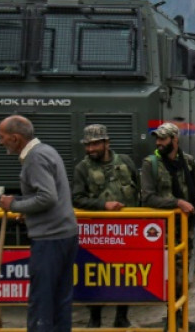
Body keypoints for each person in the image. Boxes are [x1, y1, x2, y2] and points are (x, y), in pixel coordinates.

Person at [0, 115, 79, 332]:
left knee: (42, 301)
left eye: (2, 137)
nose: (0, 141)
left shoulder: (35, 158)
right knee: (60, 299)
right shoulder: (47, 150)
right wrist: (27, 210)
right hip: (64, 234)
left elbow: (47, 197)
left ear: (15, 138)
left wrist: (13, 204)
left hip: (49, 239)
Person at [71, 124, 140, 328]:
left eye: (95, 144)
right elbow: (77, 198)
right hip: (97, 232)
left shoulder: (125, 162)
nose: (90, 149)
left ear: (106, 143)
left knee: (125, 273)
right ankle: (95, 318)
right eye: (88, 145)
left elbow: (138, 191)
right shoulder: (82, 169)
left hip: (126, 230)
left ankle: (121, 315)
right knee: (95, 274)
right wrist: (103, 205)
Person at [140, 122, 195, 331]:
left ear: (175, 140)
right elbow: (148, 197)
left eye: (163, 139)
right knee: (168, 276)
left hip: (185, 229)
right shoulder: (151, 164)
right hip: (163, 231)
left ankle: (180, 316)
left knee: (183, 276)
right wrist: (177, 203)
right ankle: (170, 317)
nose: (159, 143)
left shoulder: (188, 162)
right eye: (157, 139)